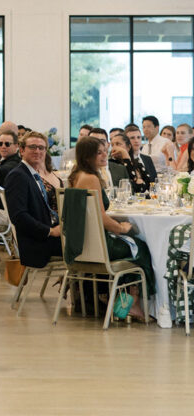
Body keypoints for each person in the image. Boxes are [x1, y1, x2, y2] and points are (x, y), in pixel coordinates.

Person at [68, 136, 154, 321]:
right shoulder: (91, 178)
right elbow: (101, 218)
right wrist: (121, 228)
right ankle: (134, 303)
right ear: (86, 156)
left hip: (81, 243)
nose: (104, 155)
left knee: (133, 244)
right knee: (142, 248)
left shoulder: (76, 175)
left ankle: (121, 299)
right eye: (98, 153)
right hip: (98, 246)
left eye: (104, 151)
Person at [4, 131, 62, 268]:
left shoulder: (32, 173)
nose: (37, 151)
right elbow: (19, 216)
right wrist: (50, 231)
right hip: (38, 244)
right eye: (32, 147)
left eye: (41, 148)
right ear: (22, 150)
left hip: (46, 238)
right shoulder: (18, 175)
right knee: (89, 247)